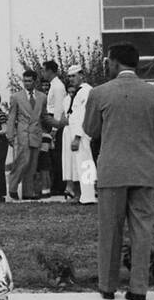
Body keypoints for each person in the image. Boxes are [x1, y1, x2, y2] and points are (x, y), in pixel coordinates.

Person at [83, 43, 154, 300]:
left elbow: (91, 129)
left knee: (110, 230)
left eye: (108, 61)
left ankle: (108, 286)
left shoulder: (100, 93)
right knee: (142, 231)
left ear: (114, 62)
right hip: (146, 172)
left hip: (112, 171)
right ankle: (138, 290)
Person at [7, 69, 48, 200]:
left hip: (36, 133)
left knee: (32, 163)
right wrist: (10, 134)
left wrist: (59, 123)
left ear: (35, 82)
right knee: (22, 161)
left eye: (29, 81)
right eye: (25, 81)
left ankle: (27, 192)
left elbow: (45, 116)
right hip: (23, 133)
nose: (27, 83)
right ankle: (13, 187)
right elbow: (12, 116)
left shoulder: (42, 97)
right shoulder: (16, 97)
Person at [62, 65, 97, 204]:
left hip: (81, 133)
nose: (71, 79)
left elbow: (83, 115)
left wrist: (77, 137)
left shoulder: (86, 91)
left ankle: (88, 196)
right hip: (73, 130)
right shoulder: (78, 92)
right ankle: (84, 195)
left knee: (85, 164)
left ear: (81, 75)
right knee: (79, 165)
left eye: (74, 76)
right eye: (69, 76)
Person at [43, 60, 69, 199]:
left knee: (57, 156)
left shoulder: (58, 86)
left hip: (56, 121)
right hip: (51, 119)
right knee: (53, 156)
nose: (43, 73)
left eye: (44, 70)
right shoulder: (54, 85)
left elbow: (59, 107)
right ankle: (56, 185)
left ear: (50, 71)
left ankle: (59, 186)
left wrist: (54, 128)